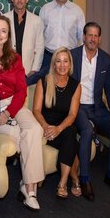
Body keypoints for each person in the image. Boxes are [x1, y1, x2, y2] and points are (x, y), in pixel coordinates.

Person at [0, 15, 44, 211]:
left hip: (15, 104)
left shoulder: (15, 58)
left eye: (3, 31)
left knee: (35, 130)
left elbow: (22, 90)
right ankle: (30, 190)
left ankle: (28, 188)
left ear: (8, 35)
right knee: (19, 135)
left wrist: (9, 112)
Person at [70, 22, 110, 201]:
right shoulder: (73, 55)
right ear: (84, 37)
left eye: (96, 36)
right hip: (78, 107)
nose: (92, 39)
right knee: (87, 131)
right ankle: (84, 179)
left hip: (98, 107)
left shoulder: (105, 59)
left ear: (99, 39)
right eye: (89, 35)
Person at [32, 47, 81, 199]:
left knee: (71, 132)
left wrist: (58, 129)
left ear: (70, 64)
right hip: (45, 128)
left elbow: (72, 115)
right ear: (53, 64)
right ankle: (75, 178)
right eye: (58, 61)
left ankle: (62, 182)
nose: (62, 65)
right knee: (72, 144)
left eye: (65, 61)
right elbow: (36, 110)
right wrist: (46, 127)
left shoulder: (75, 86)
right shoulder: (44, 82)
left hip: (63, 128)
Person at [33, 0, 85, 84]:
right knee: (46, 85)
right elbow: (39, 34)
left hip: (69, 57)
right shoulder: (46, 9)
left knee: (67, 86)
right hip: (48, 56)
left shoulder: (77, 11)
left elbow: (82, 37)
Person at [3, 0, 44, 85]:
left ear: (27, 0)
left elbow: (40, 47)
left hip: (28, 72)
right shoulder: (4, 18)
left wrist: (34, 70)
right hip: (8, 69)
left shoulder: (37, 20)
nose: (19, 0)